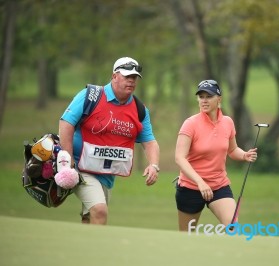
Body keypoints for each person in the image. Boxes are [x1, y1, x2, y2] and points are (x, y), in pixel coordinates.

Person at [59, 57, 160, 225]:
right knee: (100, 211)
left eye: (134, 78)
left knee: (90, 217)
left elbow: (150, 141)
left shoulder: (140, 109)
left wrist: (154, 165)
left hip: (106, 175)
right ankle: (99, 250)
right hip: (80, 167)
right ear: (114, 76)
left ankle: (85, 250)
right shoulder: (90, 96)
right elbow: (66, 123)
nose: (131, 81)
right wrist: (67, 161)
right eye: (127, 76)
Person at [174, 79, 258, 231]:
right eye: (201, 97)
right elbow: (179, 158)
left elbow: (232, 150)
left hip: (219, 186)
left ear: (219, 99)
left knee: (233, 228)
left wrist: (244, 155)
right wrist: (200, 182)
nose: (204, 100)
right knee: (186, 236)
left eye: (209, 96)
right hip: (191, 187)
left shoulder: (227, 122)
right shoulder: (190, 123)